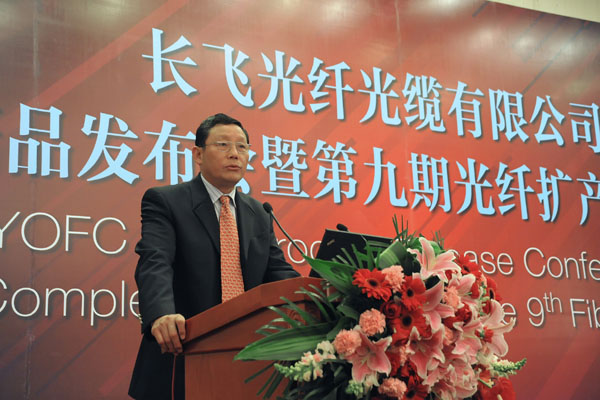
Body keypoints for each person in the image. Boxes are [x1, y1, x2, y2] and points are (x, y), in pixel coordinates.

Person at [128, 113, 300, 399]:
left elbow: (278, 273)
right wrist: (161, 314)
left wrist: (315, 300)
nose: (234, 154)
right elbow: (155, 261)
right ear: (198, 154)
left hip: (249, 361)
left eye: (242, 147)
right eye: (223, 145)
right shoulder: (166, 201)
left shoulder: (259, 212)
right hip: (183, 353)